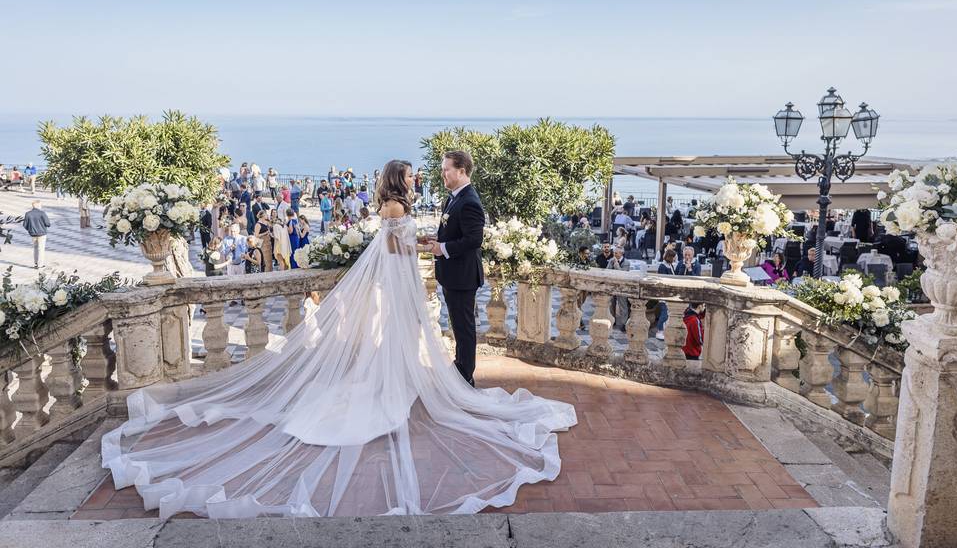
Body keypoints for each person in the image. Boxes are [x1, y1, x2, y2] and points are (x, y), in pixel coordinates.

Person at [97, 157, 578, 520]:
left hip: (412, 275)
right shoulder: (394, 206)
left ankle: (403, 385)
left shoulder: (415, 203)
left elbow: (409, 241)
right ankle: (392, 391)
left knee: (405, 339)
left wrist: (427, 244)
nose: (416, 179)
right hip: (402, 275)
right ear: (397, 179)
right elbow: (393, 246)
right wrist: (425, 244)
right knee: (399, 338)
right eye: (409, 175)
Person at [423, 151, 485, 387]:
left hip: (463, 276)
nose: (443, 174)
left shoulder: (469, 201)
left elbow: (473, 240)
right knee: (458, 326)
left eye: (446, 169)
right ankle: (460, 368)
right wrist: (436, 239)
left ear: (461, 171)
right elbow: (454, 231)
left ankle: (465, 377)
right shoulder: (454, 197)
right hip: (453, 275)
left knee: (464, 328)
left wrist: (443, 248)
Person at [606, 246, 631, 331]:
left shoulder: (626, 262)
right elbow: (607, 271)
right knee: (611, 304)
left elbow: (622, 274)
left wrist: (616, 265)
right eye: (614, 253)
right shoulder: (611, 260)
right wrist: (611, 263)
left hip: (622, 287)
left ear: (621, 253)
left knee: (622, 305)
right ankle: (612, 321)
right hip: (612, 286)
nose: (614, 254)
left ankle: (624, 324)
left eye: (616, 253)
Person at [23, 200, 51, 269]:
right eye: (40, 205)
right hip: (42, 234)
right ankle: (40, 265)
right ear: (38, 205)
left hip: (33, 234)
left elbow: (25, 225)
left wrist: (30, 230)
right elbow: (48, 223)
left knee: (35, 248)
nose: (41, 206)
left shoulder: (28, 214)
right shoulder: (42, 213)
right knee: (41, 249)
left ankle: (36, 263)